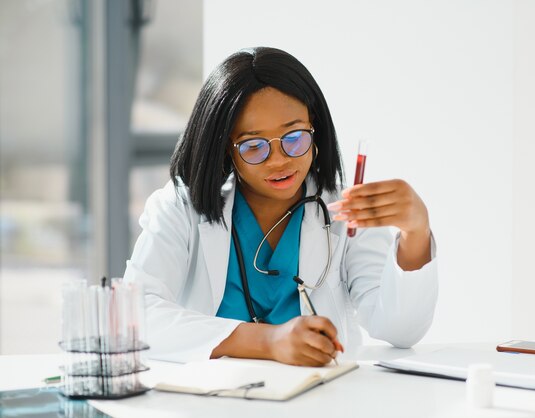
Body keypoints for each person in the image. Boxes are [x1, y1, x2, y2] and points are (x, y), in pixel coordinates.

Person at [124, 47, 438, 366]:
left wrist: (416, 231)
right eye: (254, 146)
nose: (279, 160)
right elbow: (136, 315)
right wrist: (268, 341)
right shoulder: (181, 208)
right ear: (225, 148)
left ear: (315, 129)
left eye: (294, 137)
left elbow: (400, 330)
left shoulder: (345, 212)